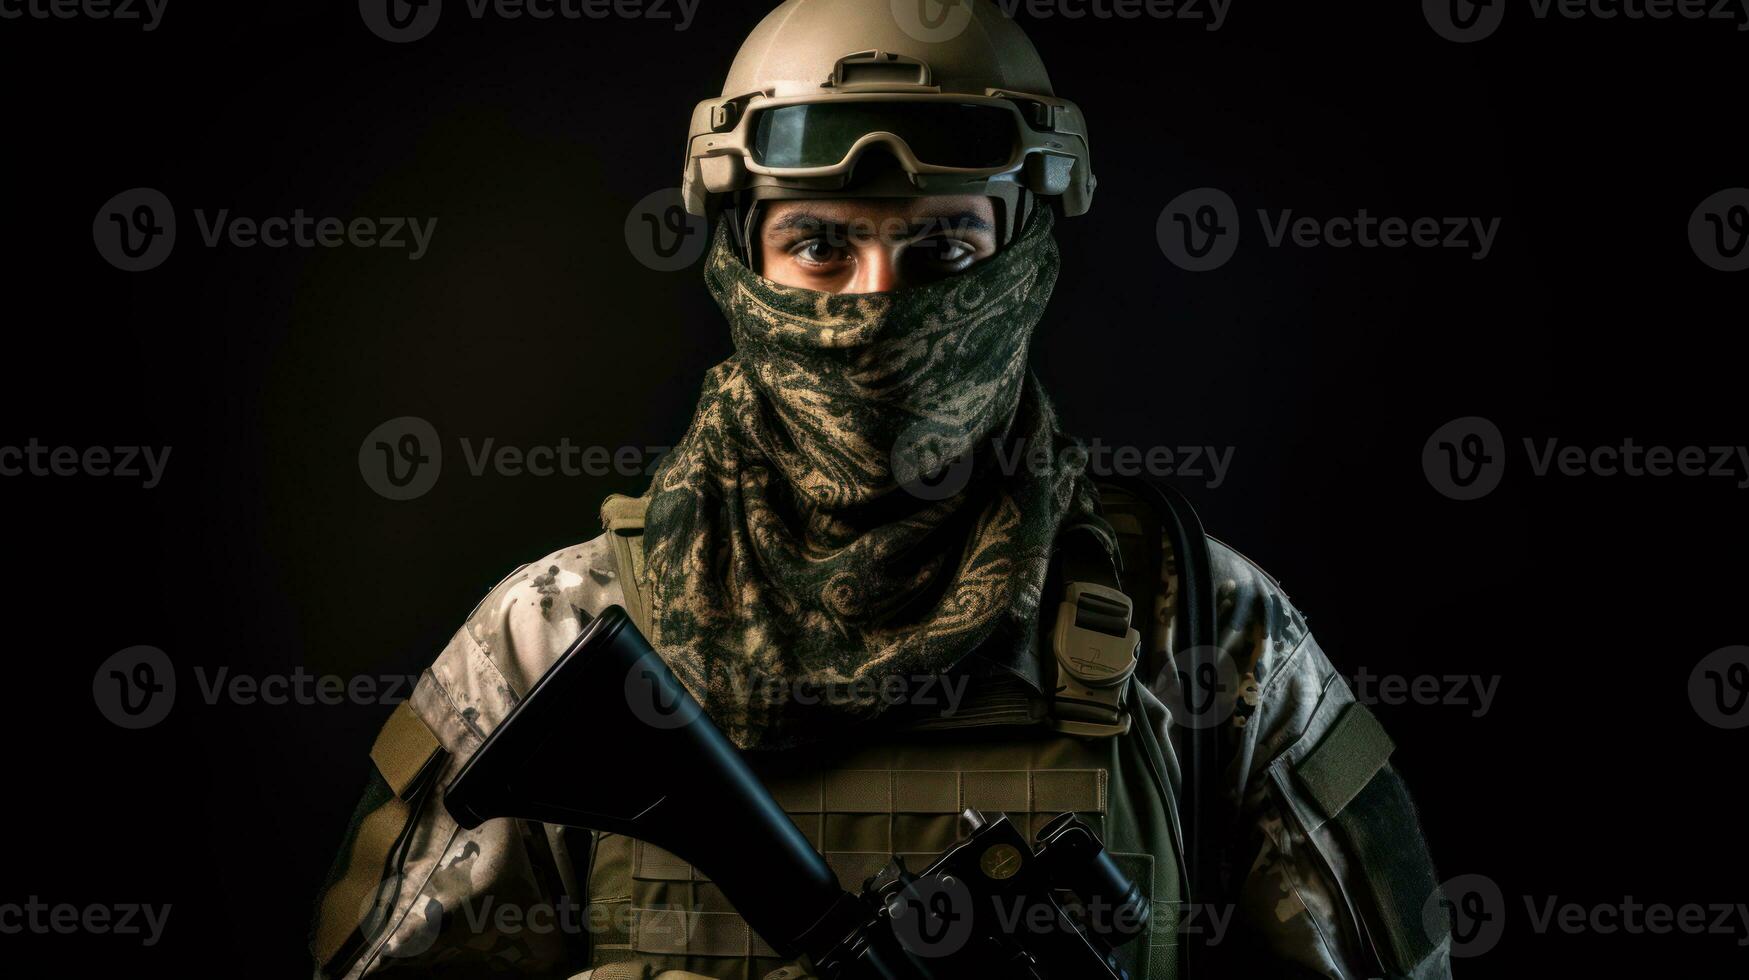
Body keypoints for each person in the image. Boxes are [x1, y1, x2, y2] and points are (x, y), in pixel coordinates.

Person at [311, 2, 1451, 977]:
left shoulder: (1203, 632)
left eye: (943, 254)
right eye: (817, 245)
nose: (874, 306)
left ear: (1026, 261)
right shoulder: (553, 637)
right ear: (740, 257)